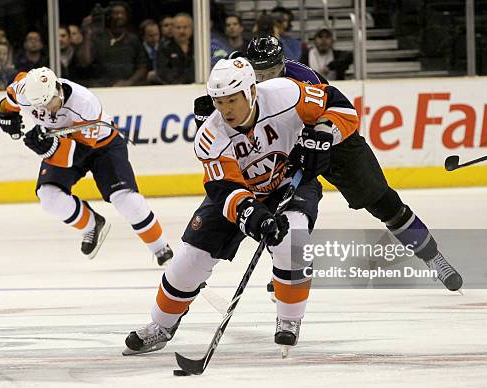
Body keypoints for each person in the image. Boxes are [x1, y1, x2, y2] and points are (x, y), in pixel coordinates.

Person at [122, 57, 359, 355]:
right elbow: (226, 191)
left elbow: (342, 108)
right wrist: (255, 218)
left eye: (232, 100)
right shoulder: (210, 136)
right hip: (239, 193)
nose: (226, 110)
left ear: (251, 92)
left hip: (289, 181)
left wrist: (324, 133)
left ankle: (289, 319)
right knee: (190, 260)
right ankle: (161, 325)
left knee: (293, 238)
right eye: (219, 102)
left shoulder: (287, 94)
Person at [196, 35, 464, 294]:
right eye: (259, 74)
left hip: (335, 146)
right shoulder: (237, 80)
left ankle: (432, 255)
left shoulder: (301, 80)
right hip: (282, 149)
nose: (266, 79)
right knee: (277, 209)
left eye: (273, 71)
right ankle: (285, 268)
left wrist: (323, 135)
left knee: (382, 200)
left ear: (283, 64)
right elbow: (219, 117)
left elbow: (340, 112)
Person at [0, 67, 173, 265]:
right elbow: (7, 103)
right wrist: (4, 116)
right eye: (39, 107)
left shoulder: (84, 102)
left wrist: (49, 148)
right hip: (63, 142)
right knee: (49, 197)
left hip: (102, 146)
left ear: (58, 90)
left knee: (125, 199)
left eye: (48, 103)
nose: (45, 111)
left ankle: (160, 247)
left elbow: (81, 150)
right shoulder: (23, 90)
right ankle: (91, 224)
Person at [80, 1, 148, 87]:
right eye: (116, 13)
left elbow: (142, 67)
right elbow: (85, 61)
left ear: (127, 16)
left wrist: (129, 82)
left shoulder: (133, 39)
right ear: (109, 16)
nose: (119, 16)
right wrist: (87, 35)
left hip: (128, 87)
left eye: (122, 13)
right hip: (101, 86)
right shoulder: (98, 37)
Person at [155, 13, 194, 84]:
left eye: (185, 27)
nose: (182, 31)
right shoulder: (164, 48)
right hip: (173, 88)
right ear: (172, 29)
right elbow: (163, 72)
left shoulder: (198, 46)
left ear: (191, 29)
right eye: (178, 27)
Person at [139, 19, 160, 83]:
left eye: (157, 34)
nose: (155, 38)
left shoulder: (165, 49)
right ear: (143, 36)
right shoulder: (137, 51)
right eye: (151, 36)